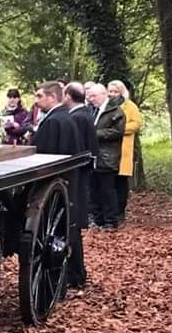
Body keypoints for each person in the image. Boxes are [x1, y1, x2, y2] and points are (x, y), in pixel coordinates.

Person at [63, 82, 97, 288]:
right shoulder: (84, 115)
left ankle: (76, 274)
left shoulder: (77, 118)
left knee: (72, 227)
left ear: (68, 96)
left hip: (76, 180)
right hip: (82, 177)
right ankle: (77, 272)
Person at [86, 83, 124, 230]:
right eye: (90, 96)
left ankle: (111, 221)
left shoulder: (115, 111)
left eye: (94, 96)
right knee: (93, 189)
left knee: (107, 190)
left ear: (103, 95)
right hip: (93, 155)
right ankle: (98, 219)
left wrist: (95, 134)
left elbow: (117, 131)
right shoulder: (91, 110)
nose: (91, 99)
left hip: (107, 156)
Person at [107, 79, 142, 224]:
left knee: (121, 184)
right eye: (110, 91)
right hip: (108, 150)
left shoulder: (130, 106)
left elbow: (137, 123)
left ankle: (120, 212)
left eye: (116, 91)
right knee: (109, 183)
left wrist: (119, 130)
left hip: (123, 149)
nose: (112, 94)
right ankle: (110, 213)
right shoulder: (105, 106)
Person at [31, 82, 77, 155]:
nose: (36, 101)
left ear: (52, 97)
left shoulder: (53, 121)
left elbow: (48, 153)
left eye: (39, 96)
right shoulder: (65, 116)